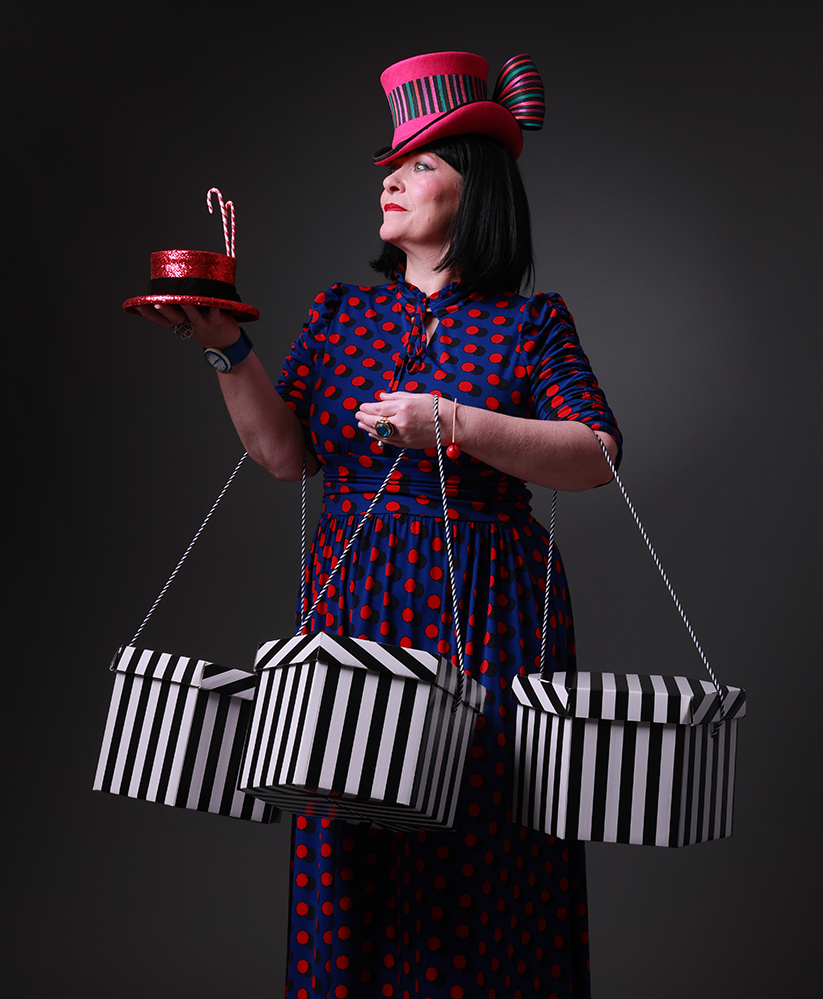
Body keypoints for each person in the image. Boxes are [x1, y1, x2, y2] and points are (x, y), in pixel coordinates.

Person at [136, 51, 621, 999]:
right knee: (349, 846)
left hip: (488, 609)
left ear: (477, 192)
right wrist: (225, 347)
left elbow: (594, 454)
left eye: (421, 164)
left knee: (482, 846)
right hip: (354, 606)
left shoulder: (530, 325)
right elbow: (284, 455)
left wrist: (453, 423)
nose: (392, 179)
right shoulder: (338, 314)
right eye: (390, 166)